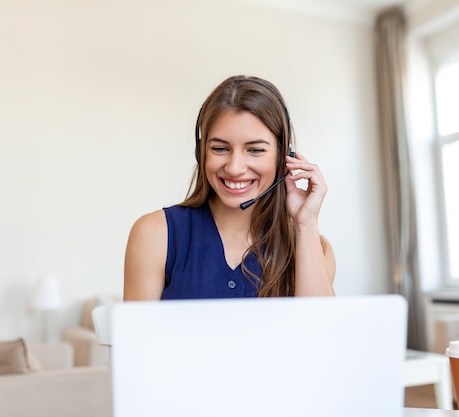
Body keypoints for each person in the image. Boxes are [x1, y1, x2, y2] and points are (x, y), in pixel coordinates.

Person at [124, 75, 335, 300]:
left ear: (283, 157)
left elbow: (319, 332)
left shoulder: (313, 247)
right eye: (220, 148)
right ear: (201, 152)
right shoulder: (155, 234)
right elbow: (134, 335)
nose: (234, 168)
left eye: (255, 150)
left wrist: (306, 224)